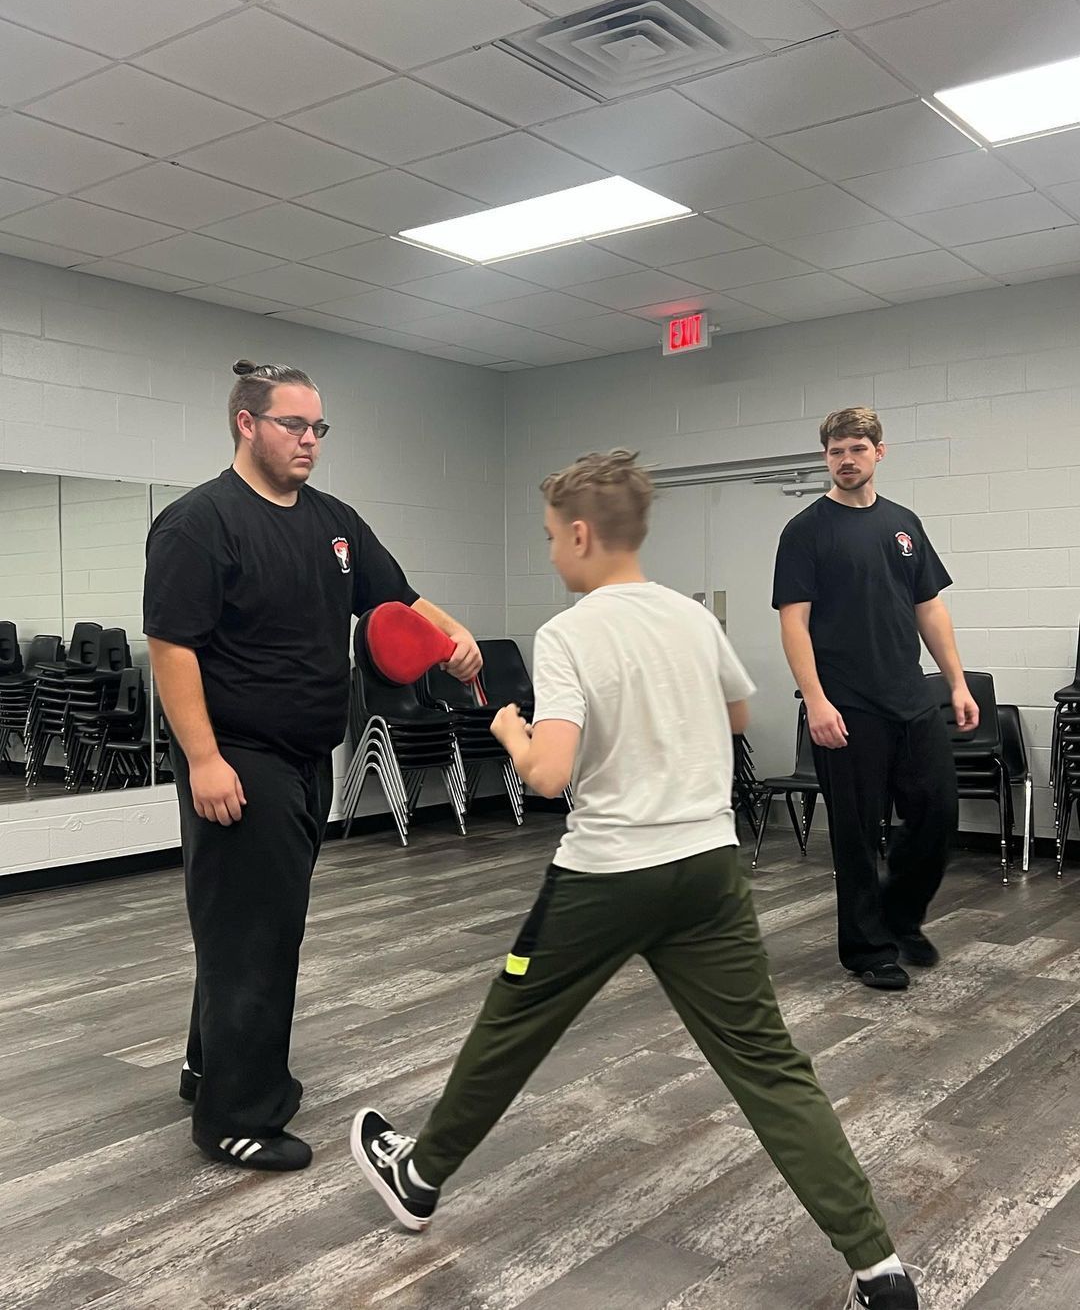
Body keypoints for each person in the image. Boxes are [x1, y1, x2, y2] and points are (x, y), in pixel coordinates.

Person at [351, 449, 921, 1310]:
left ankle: (420, 1178)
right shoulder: (693, 621)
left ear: (582, 534)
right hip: (709, 872)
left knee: (510, 1027)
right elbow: (736, 710)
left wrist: (510, 728)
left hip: (607, 876)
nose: (548, 552)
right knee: (771, 1066)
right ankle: (879, 1268)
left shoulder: (568, 633)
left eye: (549, 537)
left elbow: (548, 774)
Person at [143, 359, 481, 1172]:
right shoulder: (199, 523)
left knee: (249, 926)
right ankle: (236, 1116)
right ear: (246, 424)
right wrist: (203, 760)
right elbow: (171, 646)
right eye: (295, 424)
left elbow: (395, 599)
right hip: (240, 759)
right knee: (257, 935)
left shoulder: (335, 521)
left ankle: (209, 1066)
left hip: (307, 755)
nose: (310, 440)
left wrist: (451, 634)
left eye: (319, 427)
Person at [772, 407, 976, 992]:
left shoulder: (903, 525)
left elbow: (928, 608)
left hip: (911, 697)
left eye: (857, 449)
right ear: (826, 457)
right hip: (846, 704)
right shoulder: (806, 530)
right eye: (836, 451)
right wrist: (815, 699)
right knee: (857, 833)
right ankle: (868, 950)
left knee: (937, 812)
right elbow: (794, 622)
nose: (846, 460)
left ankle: (900, 916)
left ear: (878, 453)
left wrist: (956, 682)